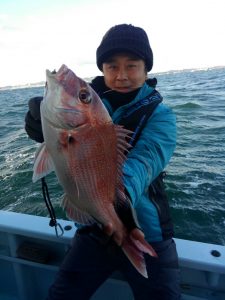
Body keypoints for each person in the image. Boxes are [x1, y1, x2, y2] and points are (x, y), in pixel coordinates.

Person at [25, 24, 180, 300]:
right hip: (94, 228)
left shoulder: (162, 116)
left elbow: (146, 161)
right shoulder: (89, 107)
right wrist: (41, 127)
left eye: (132, 66)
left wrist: (119, 213)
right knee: (61, 295)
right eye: (111, 66)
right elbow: (60, 146)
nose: (121, 75)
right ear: (102, 69)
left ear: (147, 70)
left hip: (146, 230)